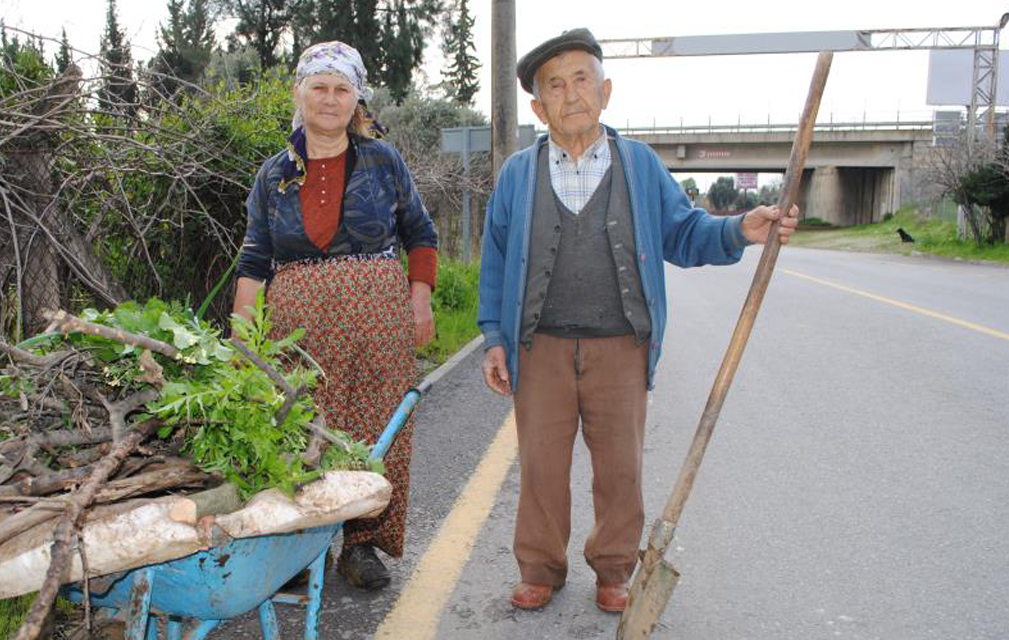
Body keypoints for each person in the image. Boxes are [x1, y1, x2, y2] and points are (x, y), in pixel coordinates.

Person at [477, 28, 799, 613]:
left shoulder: (641, 164)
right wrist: (494, 338)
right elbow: (496, 260)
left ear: (606, 89)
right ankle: (541, 567)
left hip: (620, 346)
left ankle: (615, 567)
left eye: (581, 79)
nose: (571, 93)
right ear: (537, 105)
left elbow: (683, 232)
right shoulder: (518, 174)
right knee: (541, 468)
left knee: (619, 469)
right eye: (556, 84)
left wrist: (737, 230)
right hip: (541, 346)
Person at [233, 41, 439, 590]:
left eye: (341, 89)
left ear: (357, 99)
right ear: (299, 93)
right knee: (303, 425)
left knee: (376, 427)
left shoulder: (382, 161)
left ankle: (361, 544)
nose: (329, 99)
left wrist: (420, 299)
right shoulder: (272, 174)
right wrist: (241, 334)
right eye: (318, 87)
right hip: (299, 322)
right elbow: (254, 258)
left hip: (378, 316)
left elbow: (420, 233)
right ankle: (302, 549)